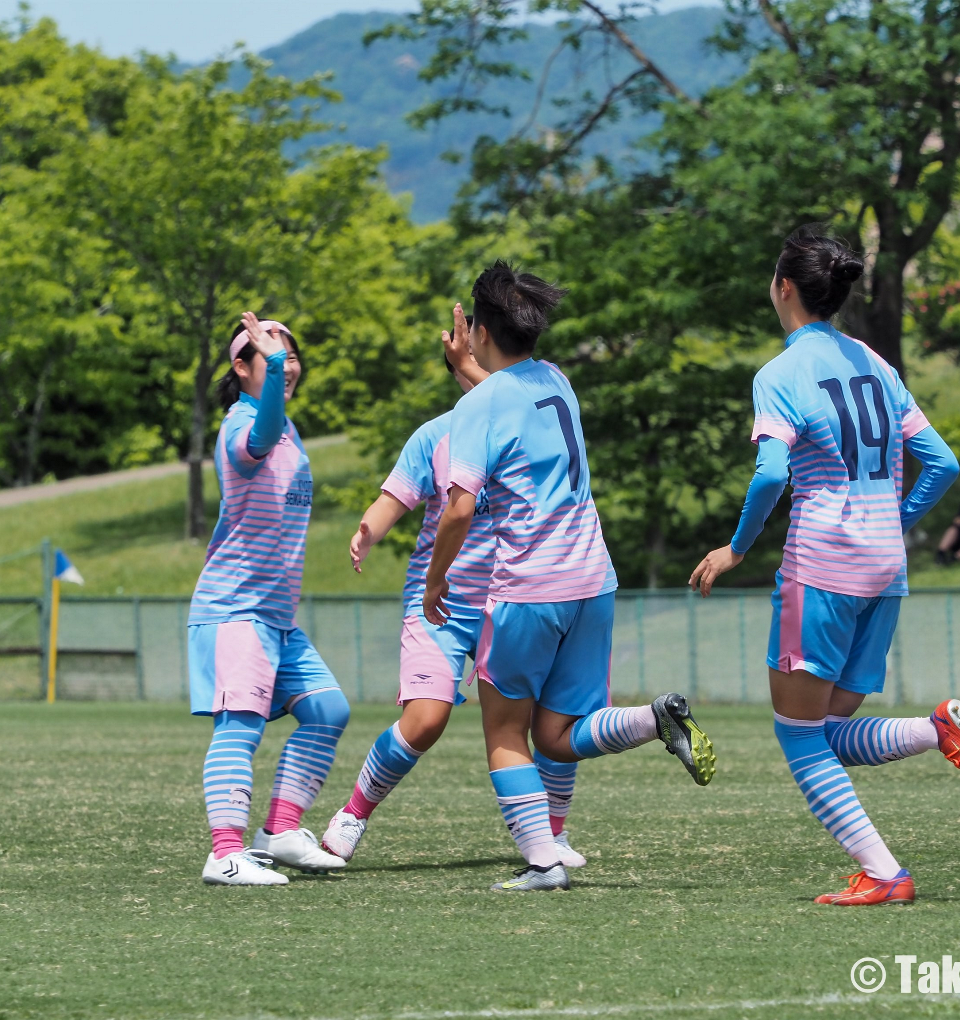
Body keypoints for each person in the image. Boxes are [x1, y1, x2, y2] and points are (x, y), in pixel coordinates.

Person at [689, 225, 960, 907]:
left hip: (823, 565)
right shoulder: (875, 363)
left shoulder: (780, 373)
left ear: (785, 287)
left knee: (797, 734)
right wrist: (894, 521)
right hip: (885, 570)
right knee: (828, 732)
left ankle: (887, 872)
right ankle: (933, 731)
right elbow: (942, 463)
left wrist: (737, 548)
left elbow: (771, 474)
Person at [423, 261, 717, 893]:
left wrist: (434, 579)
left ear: (479, 329)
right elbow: (506, 402)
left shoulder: (481, 404)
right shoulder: (556, 381)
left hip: (530, 589)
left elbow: (460, 507)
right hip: (594, 582)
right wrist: (466, 368)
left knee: (506, 734)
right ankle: (652, 719)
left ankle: (541, 863)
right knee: (557, 737)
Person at [320, 315, 586, 869]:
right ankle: (352, 814)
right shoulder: (435, 436)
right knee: (425, 720)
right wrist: (367, 530)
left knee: (548, 720)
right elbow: (394, 498)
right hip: (438, 601)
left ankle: (552, 835)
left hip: (512, 599)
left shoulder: (527, 418)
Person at [187, 312, 351, 886]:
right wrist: (277, 368)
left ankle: (279, 831)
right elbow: (255, 442)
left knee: (328, 711)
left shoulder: (288, 427)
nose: (287, 365)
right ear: (242, 366)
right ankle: (225, 853)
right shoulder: (242, 424)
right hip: (236, 610)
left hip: (275, 617)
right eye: (270, 355)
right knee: (241, 727)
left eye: (291, 354)